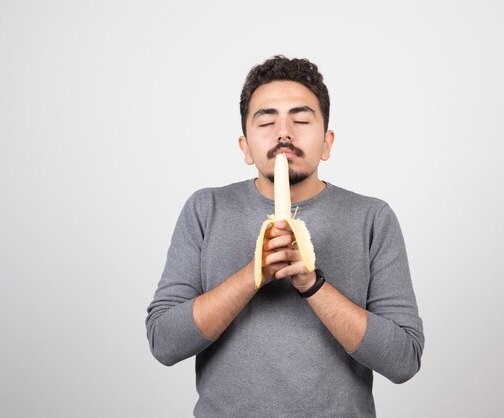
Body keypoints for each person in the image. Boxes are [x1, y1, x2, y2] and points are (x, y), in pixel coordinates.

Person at [146, 55, 424, 417]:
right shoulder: (206, 209)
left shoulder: (372, 217)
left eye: (301, 118)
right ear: (245, 147)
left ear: (327, 142)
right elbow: (164, 342)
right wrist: (252, 274)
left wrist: (311, 283)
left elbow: (403, 360)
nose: (284, 133)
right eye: (266, 120)